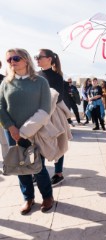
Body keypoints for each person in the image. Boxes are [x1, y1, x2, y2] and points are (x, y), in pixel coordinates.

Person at [0, 48, 53, 214]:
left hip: (34, 131)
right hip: (12, 132)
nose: (12, 62)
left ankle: (47, 196)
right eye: (9, 60)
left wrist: (24, 130)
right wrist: (11, 127)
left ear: (26, 59)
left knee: (38, 166)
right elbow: (1, 106)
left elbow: (45, 108)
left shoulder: (40, 81)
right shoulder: (5, 83)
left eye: (16, 58)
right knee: (19, 166)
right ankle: (28, 198)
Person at [35, 48, 69, 186]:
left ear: (49, 59)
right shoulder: (34, 75)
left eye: (39, 56)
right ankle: (39, 172)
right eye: (36, 56)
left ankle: (58, 173)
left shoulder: (56, 76)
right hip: (37, 113)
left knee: (58, 140)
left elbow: (59, 95)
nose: (36, 58)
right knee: (38, 142)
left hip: (53, 113)